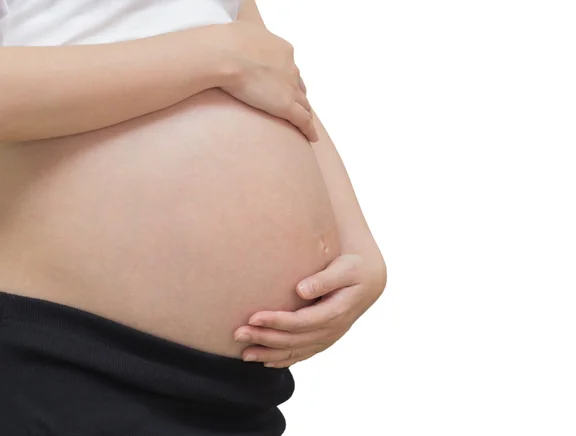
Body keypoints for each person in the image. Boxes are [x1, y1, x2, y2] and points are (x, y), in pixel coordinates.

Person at [0, 0, 387, 434]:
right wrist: (211, 58)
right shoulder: (215, 54)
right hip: (71, 359)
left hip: (241, 381)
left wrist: (357, 242)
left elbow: (266, 65)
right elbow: (234, 56)